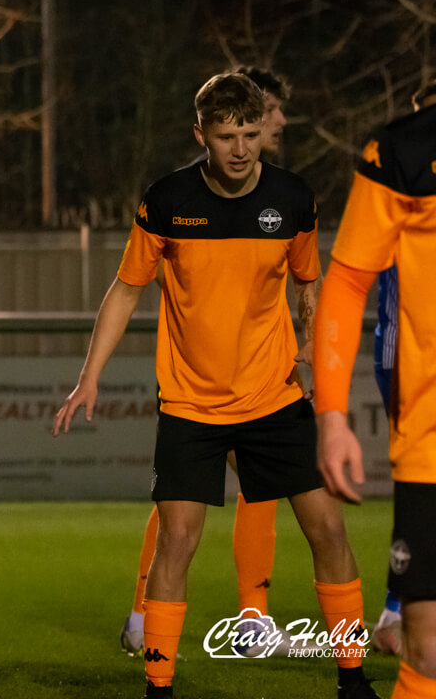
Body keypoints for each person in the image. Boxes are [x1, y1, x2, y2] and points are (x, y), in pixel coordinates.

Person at [54, 72, 377, 699]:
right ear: (199, 133)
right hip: (190, 405)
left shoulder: (294, 198)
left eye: (251, 134)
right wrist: (87, 377)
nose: (241, 149)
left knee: (329, 532)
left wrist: (311, 338)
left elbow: (307, 281)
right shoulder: (167, 200)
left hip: (275, 396)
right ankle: (159, 686)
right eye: (226, 136)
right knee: (176, 542)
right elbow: (126, 289)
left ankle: (353, 678)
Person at [121, 65, 293, 655]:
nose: (278, 123)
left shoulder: (283, 196)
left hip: (261, 382)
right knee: (181, 509)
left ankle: (241, 616)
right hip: (200, 388)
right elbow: (130, 284)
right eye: (273, 112)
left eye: (261, 122)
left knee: (227, 496)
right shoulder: (179, 199)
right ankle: (204, 615)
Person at [320, 78, 436, 685]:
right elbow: (343, 284)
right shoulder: (403, 150)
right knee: (429, 647)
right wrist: (333, 417)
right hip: (429, 445)